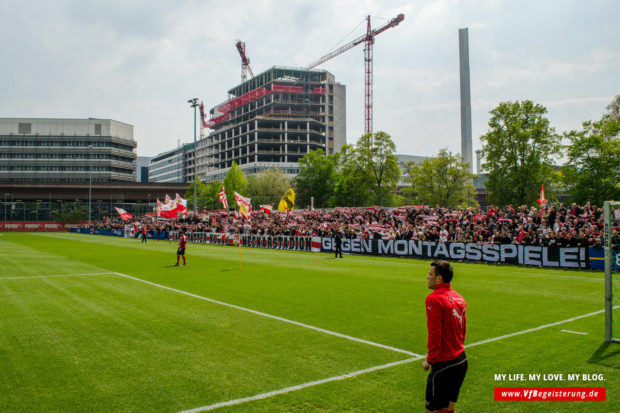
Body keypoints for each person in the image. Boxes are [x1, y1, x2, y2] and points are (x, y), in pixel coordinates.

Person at [423, 260, 467, 413]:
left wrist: (430, 359)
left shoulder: (433, 299)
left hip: (444, 363)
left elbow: (435, 332)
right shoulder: (459, 298)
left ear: (439, 278)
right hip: (461, 360)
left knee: (432, 409)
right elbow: (463, 330)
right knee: (449, 406)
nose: (427, 277)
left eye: (430, 274)